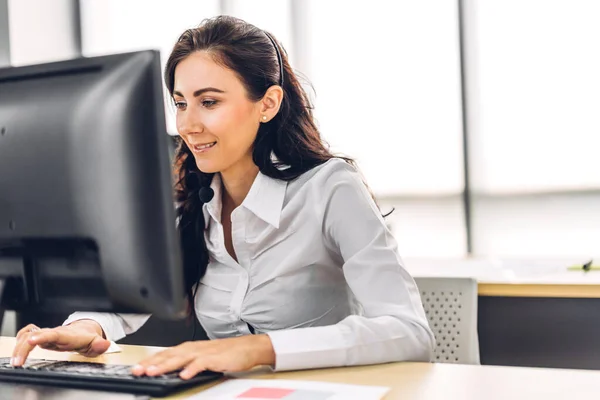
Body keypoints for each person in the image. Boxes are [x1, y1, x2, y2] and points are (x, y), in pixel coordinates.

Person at [11, 16, 434, 379]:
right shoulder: (190, 201)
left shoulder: (329, 187)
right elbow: (130, 303)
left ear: (266, 104)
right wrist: (86, 328)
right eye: (180, 104)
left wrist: (257, 350)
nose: (188, 125)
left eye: (208, 102)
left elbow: (408, 330)